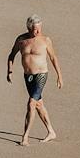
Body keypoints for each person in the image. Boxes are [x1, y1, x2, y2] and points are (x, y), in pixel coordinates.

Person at [6, 15, 64, 144]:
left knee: (31, 103)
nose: (38, 32)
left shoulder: (45, 40)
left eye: (39, 29)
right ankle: (51, 131)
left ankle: (25, 137)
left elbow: (53, 58)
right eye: (35, 29)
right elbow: (11, 55)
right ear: (28, 28)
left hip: (41, 75)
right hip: (28, 77)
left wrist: (59, 76)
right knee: (39, 104)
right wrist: (9, 71)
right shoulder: (21, 40)